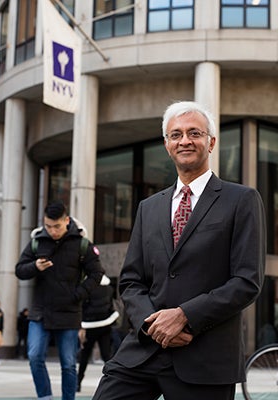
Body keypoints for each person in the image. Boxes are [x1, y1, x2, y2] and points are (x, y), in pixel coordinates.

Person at [92, 101, 266, 400]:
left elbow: (246, 281)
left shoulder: (241, 200)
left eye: (194, 133)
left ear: (210, 142)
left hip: (204, 355)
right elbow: (132, 281)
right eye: (176, 134)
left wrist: (184, 316)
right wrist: (153, 326)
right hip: (143, 351)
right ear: (167, 144)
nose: (184, 140)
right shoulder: (149, 207)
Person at [15, 200, 104, 400]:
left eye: (57, 226)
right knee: (35, 356)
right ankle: (45, 396)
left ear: (66, 220)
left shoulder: (81, 244)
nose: (52, 231)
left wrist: (78, 294)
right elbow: (19, 270)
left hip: (69, 312)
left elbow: (97, 274)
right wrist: (35, 267)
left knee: (68, 364)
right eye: (48, 226)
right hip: (40, 312)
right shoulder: (38, 241)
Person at [76, 274, 119, 392]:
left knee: (84, 355)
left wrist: (81, 326)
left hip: (89, 325)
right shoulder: (109, 288)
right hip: (105, 324)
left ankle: (78, 383)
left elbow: (82, 307)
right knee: (107, 355)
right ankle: (114, 383)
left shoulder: (86, 288)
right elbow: (111, 306)